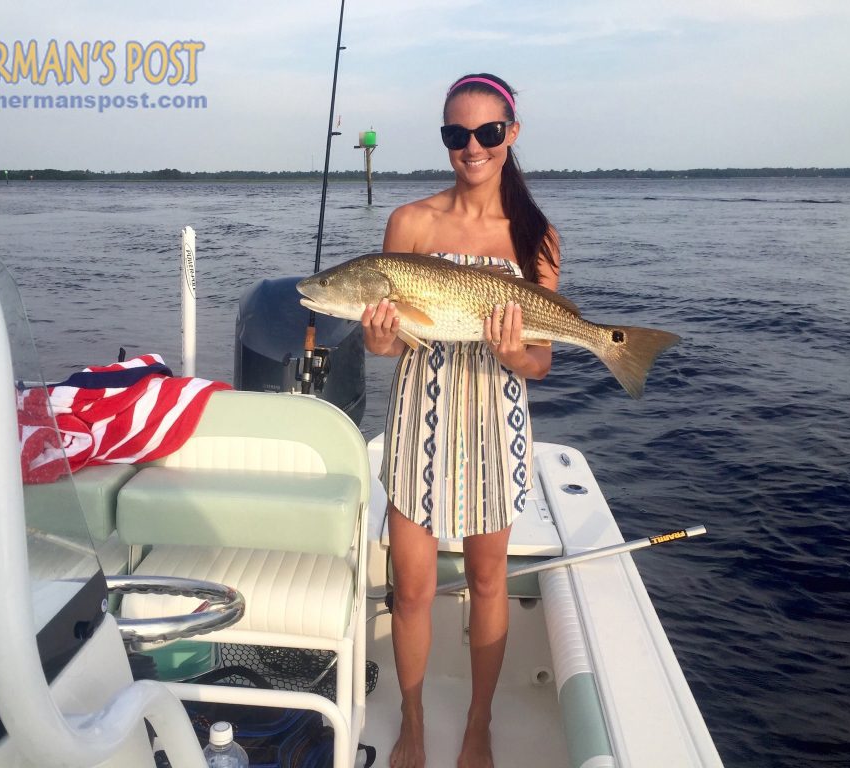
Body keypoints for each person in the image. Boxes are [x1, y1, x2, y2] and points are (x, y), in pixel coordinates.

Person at [361, 73, 561, 768]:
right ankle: (412, 722)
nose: (470, 147)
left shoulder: (535, 237)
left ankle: (479, 724)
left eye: (485, 132)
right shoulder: (410, 223)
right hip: (420, 413)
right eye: (455, 134)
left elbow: (539, 362)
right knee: (412, 588)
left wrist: (518, 353)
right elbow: (383, 345)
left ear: (512, 134)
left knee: (486, 583)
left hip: (493, 419)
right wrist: (380, 335)